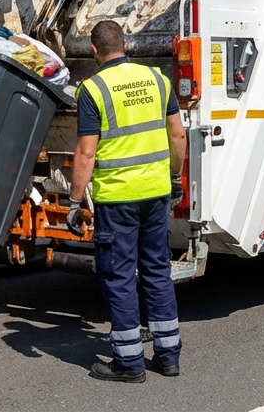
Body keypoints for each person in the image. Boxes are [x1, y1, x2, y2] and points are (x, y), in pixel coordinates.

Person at [66, 20, 188, 383]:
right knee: (156, 271)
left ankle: (130, 363)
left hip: (118, 198)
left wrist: (74, 202)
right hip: (155, 193)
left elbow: (86, 153)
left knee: (120, 277)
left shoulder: (92, 89)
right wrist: (175, 178)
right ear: (126, 43)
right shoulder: (157, 80)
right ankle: (168, 357)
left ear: (93, 50)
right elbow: (177, 135)